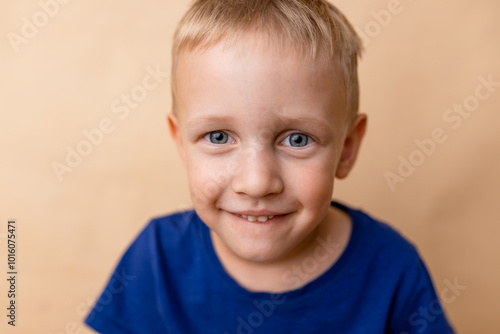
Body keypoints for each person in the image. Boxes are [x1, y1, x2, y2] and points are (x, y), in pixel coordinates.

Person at [85, 0, 454, 332]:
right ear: (181, 143)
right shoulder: (157, 257)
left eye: (296, 139)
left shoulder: (392, 269)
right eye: (218, 137)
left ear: (346, 148)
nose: (257, 182)